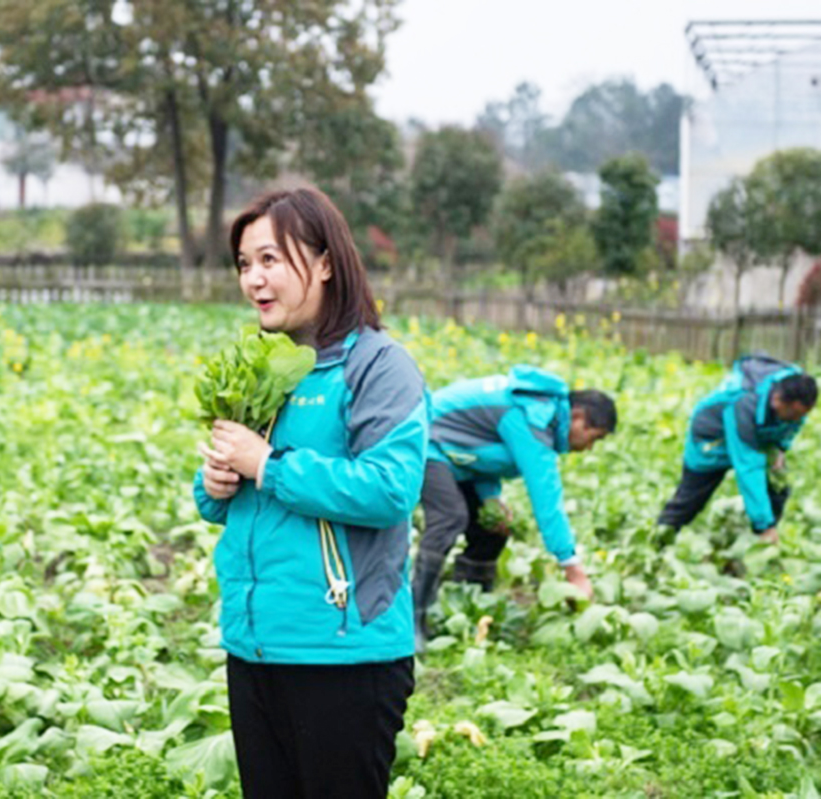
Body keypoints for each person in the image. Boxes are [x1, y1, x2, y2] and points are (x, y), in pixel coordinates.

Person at [193, 187, 429, 799]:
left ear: (325, 262)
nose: (254, 279)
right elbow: (232, 497)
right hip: (255, 645)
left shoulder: (378, 367)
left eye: (271, 259)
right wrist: (216, 482)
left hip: (343, 655)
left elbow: (390, 489)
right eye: (245, 264)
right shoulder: (263, 368)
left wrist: (268, 464)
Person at [412, 366, 617, 651]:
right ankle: (413, 615)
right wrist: (573, 569)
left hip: (454, 457)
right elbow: (547, 500)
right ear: (579, 418)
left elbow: (481, 447)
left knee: (493, 528)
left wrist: (491, 497)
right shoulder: (533, 419)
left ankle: (466, 608)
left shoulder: (539, 413)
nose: (590, 448)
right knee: (449, 517)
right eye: (594, 437)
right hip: (424, 444)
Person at [658, 353, 817, 543]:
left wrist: (781, 447)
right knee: (690, 500)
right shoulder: (744, 404)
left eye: (802, 414)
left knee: (777, 487)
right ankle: (658, 541)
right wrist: (764, 525)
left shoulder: (798, 389)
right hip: (711, 439)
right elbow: (748, 468)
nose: (798, 419)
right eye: (794, 413)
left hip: (758, 433)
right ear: (777, 401)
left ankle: (761, 548)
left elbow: (794, 424)